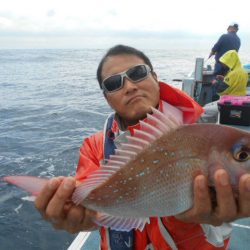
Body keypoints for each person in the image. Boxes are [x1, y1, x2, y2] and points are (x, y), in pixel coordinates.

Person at [34, 45, 250, 250]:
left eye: (137, 73)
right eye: (113, 83)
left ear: (155, 78)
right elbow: (91, 211)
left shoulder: (202, 131)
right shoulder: (94, 147)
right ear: (106, 98)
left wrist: (214, 221)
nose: (129, 86)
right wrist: (78, 216)